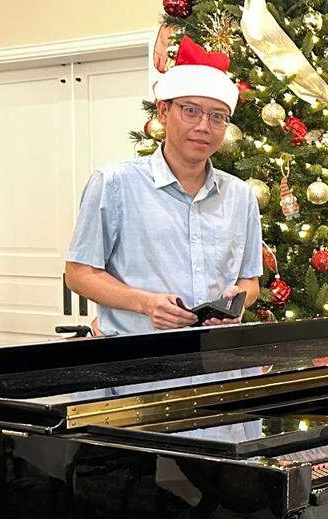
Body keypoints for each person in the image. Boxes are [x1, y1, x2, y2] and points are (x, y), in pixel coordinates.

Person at [65, 36, 262, 336]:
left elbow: (250, 281)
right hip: (138, 366)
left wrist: (236, 303)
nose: (203, 127)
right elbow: (79, 274)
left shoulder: (240, 196)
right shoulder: (115, 184)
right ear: (163, 111)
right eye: (191, 110)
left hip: (217, 362)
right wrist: (146, 304)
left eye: (217, 117)